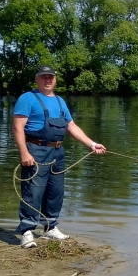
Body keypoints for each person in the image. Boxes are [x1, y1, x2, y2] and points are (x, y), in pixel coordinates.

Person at [13, 65, 106, 248]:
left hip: (57, 151)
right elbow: (17, 127)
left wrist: (92, 144)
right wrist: (24, 152)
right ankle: (26, 231)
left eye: (51, 77)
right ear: (36, 79)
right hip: (36, 149)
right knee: (33, 191)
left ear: (55, 80)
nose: (48, 80)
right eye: (44, 77)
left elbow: (71, 126)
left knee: (56, 192)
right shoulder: (27, 98)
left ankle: (50, 228)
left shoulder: (60, 101)